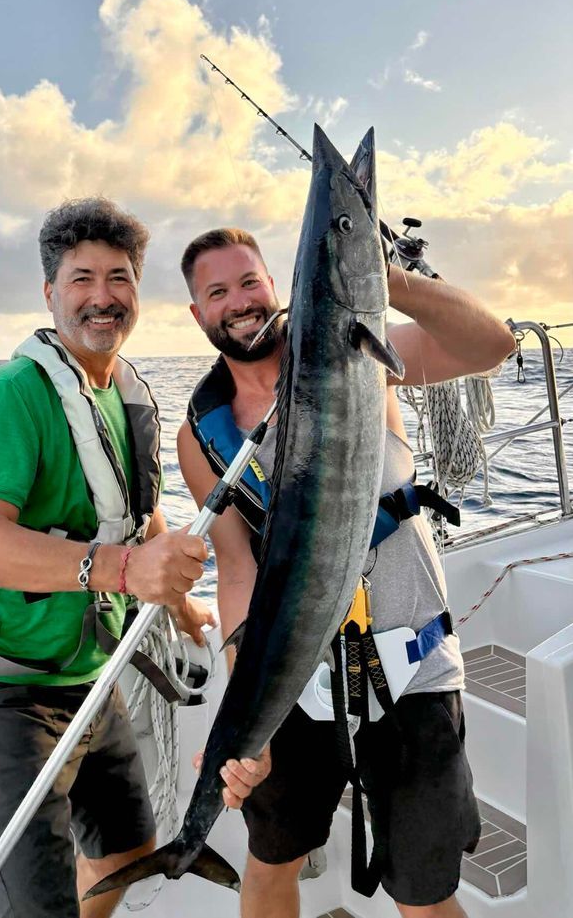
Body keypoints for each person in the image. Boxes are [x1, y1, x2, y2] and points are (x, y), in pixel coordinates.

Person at [0, 200, 265, 918]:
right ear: (50, 293)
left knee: (121, 852)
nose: (102, 296)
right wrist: (119, 572)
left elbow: (138, 514)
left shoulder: (125, 393)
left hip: (90, 676)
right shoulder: (10, 397)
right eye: (82, 278)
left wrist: (178, 599)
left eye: (119, 277)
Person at [177, 228, 517, 918]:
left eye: (249, 282)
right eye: (217, 292)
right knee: (271, 862)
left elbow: (494, 346)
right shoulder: (200, 434)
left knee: (425, 893)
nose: (238, 303)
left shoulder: (359, 354)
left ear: (276, 285)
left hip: (411, 668)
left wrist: (385, 280)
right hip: (294, 682)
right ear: (197, 313)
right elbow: (236, 567)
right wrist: (251, 713)